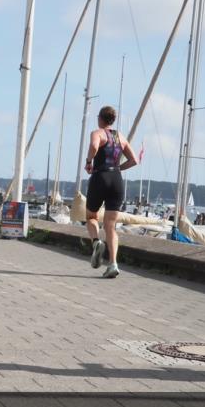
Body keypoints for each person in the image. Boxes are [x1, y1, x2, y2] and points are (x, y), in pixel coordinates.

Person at [84, 105, 139, 278]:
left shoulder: (98, 133)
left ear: (101, 118)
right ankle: (113, 264)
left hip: (100, 177)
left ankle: (96, 242)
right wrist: (118, 168)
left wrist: (89, 161)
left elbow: (94, 145)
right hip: (116, 180)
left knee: (91, 217)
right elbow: (134, 160)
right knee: (111, 226)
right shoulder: (120, 137)